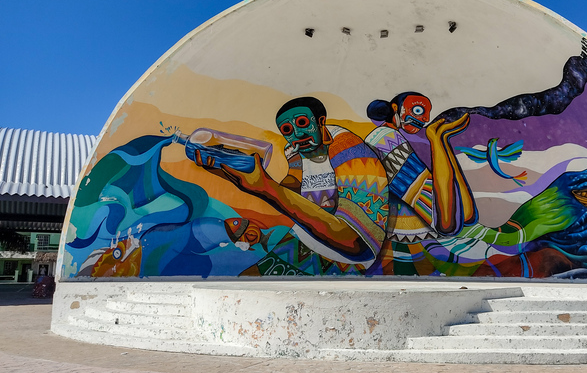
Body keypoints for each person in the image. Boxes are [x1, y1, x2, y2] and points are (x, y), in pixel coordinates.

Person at [195, 97, 388, 269]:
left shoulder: (349, 148)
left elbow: (357, 243)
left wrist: (266, 187)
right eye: (288, 130)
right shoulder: (296, 151)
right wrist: (229, 175)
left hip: (351, 261)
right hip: (307, 241)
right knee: (249, 277)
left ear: (320, 121)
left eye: (302, 123)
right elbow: (291, 186)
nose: (297, 134)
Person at [365, 92, 476, 241]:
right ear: (395, 107)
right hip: (427, 215)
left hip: (435, 210)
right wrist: (436, 140)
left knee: (467, 216)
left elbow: (467, 215)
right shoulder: (384, 137)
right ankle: (438, 137)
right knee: (449, 224)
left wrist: (441, 140)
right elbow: (445, 223)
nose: (425, 119)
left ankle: (439, 137)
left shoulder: (389, 135)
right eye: (418, 110)